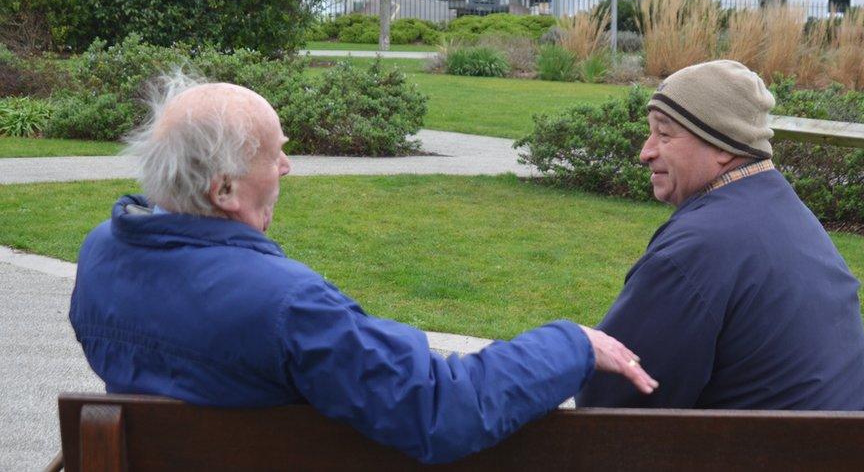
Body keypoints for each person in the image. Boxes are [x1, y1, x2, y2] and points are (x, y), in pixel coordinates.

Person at [69, 74, 657, 465]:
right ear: (224, 188)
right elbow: (439, 408)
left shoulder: (101, 253)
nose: (287, 166)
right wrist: (570, 344)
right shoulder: (285, 306)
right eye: (273, 154)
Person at [576, 60, 864, 411]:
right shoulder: (790, 215)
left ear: (723, 144)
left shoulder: (698, 248)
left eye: (664, 133)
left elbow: (609, 398)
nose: (646, 152)